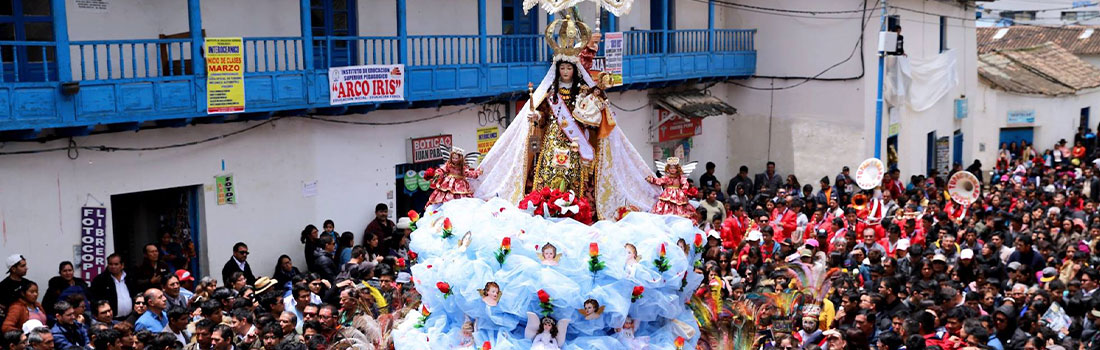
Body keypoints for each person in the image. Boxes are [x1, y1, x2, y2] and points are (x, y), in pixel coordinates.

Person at [90, 254, 134, 321]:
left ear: (122, 265)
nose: (113, 267)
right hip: (111, 319)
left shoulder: (130, 277)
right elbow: (95, 300)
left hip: (130, 318)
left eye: (116, 264)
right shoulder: (100, 280)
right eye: (110, 264)